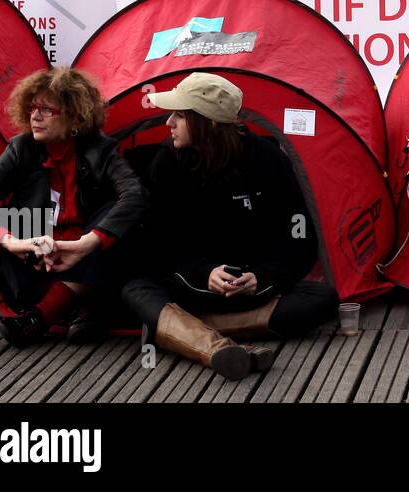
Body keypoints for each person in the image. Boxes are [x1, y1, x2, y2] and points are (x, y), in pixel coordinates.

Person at [121, 72, 337, 381]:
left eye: (179, 116)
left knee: (322, 300)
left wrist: (260, 276)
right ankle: (213, 347)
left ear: (207, 123)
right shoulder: (167, 163)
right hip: (192, 286)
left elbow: (298, 237)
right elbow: (158, 243)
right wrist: (205, 272)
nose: (168, 123)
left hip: (248, 290)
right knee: (135, 289)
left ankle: (175, 330)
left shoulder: (267, 159)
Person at [0, 67, 147, 346]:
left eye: (47, 109)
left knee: (115, 213)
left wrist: (86, 244)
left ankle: (40, 317)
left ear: (74, 116)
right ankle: (79, 310)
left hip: (86, 259)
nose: (35, 116)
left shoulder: (100, 149)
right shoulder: (21, 148)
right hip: (34, 261)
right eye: (33, 107)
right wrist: (13, 243)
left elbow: (135, 195)